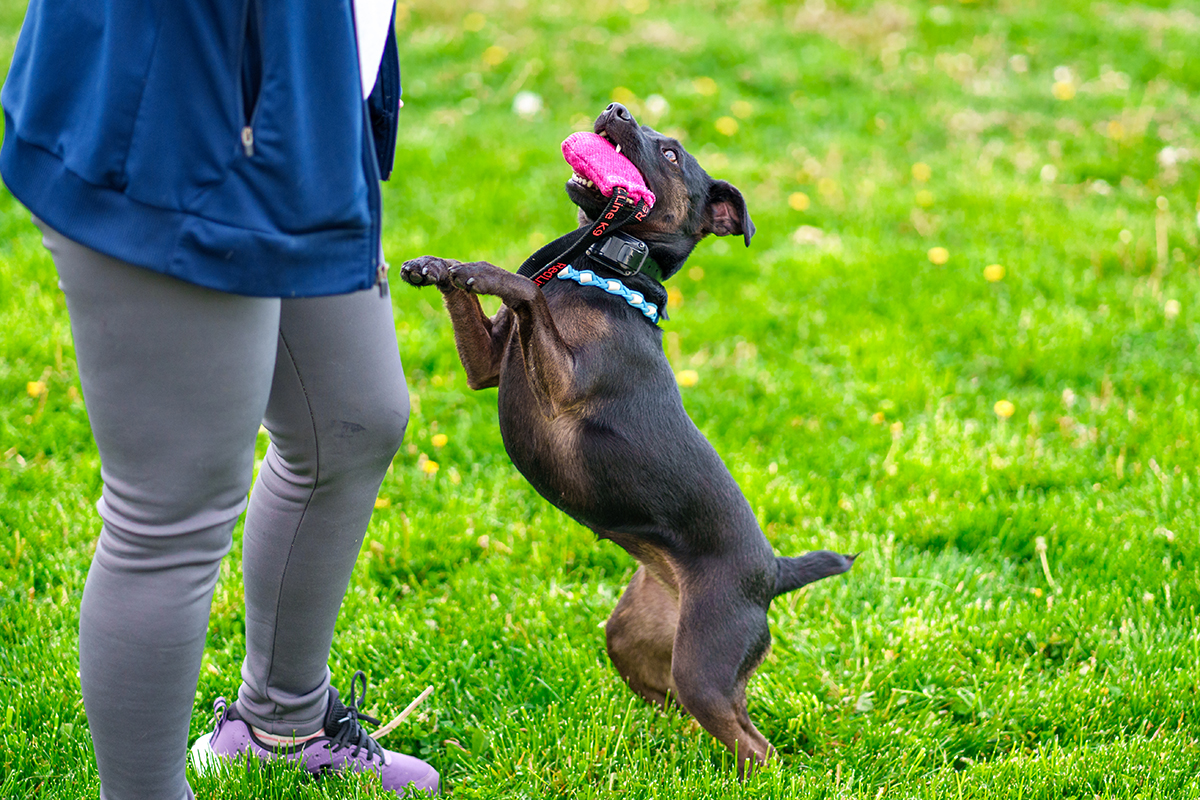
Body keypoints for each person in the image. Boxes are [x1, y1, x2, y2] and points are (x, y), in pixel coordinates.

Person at [1, 1, 438, 797]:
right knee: (172, 509)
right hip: (174, 122)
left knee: (353, 418)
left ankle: (282, 723)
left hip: (300, 112)